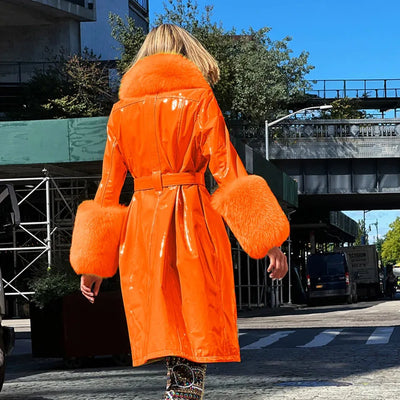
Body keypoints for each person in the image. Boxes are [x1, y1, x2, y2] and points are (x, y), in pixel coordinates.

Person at [70, 24, 289, 400]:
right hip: (191, 220)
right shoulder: (199, 99)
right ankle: (182, 394)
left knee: (169, 328)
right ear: (183, 56)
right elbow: (228, 172)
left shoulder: (121, 112)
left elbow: (107, 190)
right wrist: (269, 242)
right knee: (191, 327)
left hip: (142, 228)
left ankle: (180, 393)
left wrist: (93, 263)